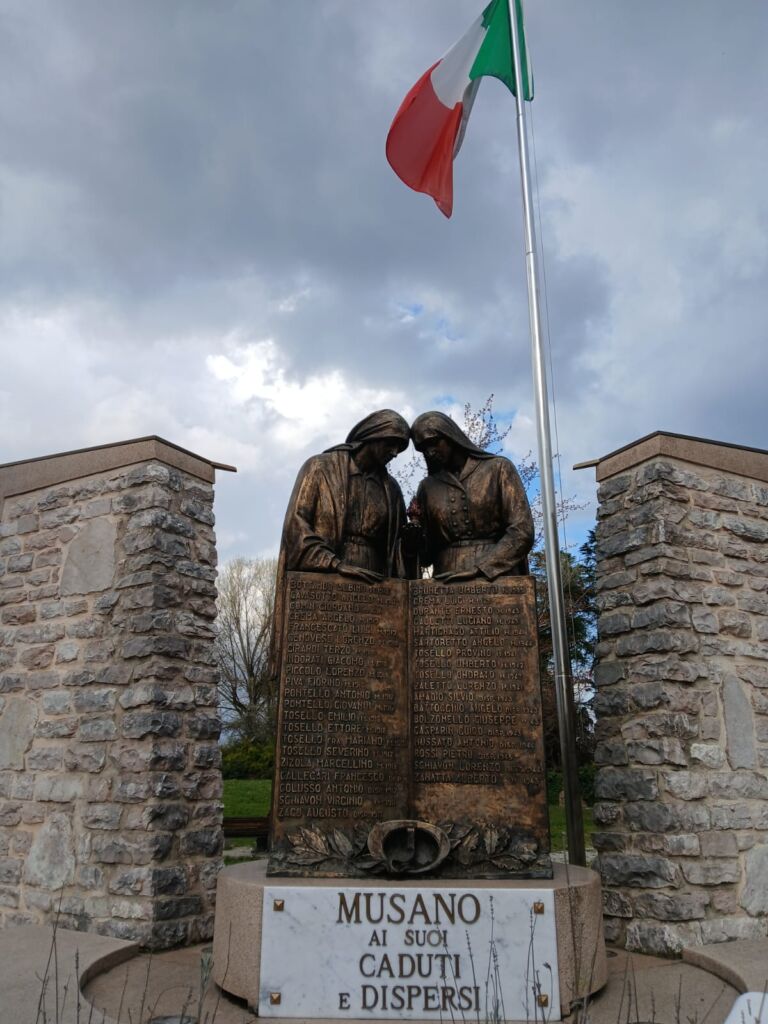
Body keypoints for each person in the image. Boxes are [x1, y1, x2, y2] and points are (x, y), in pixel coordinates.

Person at [270, 409, 411, 677]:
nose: (394, 453)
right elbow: (296, 524)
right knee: (324, 667)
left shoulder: (391, 489)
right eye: (391, 444)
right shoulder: (320, 467)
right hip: (327, 577)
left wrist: (412, 542)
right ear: (372, 436)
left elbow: (398, 547)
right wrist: (334, 564)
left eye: (399, 448)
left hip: (374, 581)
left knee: (370, 670)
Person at [410, 410, 534, 582]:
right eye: (423, 449)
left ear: (450, 436)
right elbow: (426, 555)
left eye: (433, 442)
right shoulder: (427, 487)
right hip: (445, 580)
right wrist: (413, 541)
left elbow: (522, 530)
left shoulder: (498, 468)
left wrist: (482, 567)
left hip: (495, 577)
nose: (430, 452)